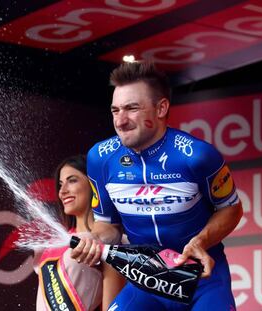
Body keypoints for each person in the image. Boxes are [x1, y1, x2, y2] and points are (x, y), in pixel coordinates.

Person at [71, 61, 243, 310]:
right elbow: (109, 226)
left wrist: (201, 241)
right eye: (115, 110)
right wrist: (94, 237)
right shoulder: (100, 158)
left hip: (202, 279)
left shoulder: (197, 155)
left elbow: (232, 209)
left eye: (131, 109)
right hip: (145, 280)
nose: (120, 121)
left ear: (161, 108)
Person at [35, 155, 125, 311]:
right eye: (60, 184)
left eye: (72, 180)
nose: (63, 191)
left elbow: (113, 307)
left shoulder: (112, 242)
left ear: (93, 185)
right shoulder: (54, 242)